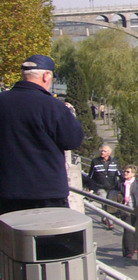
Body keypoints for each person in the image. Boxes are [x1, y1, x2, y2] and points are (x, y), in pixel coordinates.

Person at [0, 54, 84, 216]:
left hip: (6, 190)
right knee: (51, 239)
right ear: (46, 76)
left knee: (10, 240)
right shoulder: (54, 107)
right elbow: (73, 141)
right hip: (46, 192)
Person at [87, 144, 123, 229]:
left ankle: (104, 217)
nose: (102, 152)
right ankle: (110, 222)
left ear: (109, 153)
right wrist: (90, 189)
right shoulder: (95, 161)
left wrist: (125, 183)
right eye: (101, 151)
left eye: (104, 151)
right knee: (104, 200)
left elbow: (119, 173)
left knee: (110, 203)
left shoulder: (115, 161)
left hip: (112, 187)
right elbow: (90, 176)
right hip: (99, 186)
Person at [121, 164, 138, 258]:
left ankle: (136, 246)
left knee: (137, 229)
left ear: (133, 174)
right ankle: (128, 251)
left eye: (127, 172)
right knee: (128, 230)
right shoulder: (121, 183)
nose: (125, 173)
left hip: (136, 209)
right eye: (124, 171)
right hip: (126, 210)